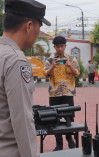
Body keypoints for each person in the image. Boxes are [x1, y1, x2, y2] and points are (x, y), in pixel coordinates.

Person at [0, 0, 50, 156]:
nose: (39, 33)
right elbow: (22, 120)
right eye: (39, 26)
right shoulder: (16, 61)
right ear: (29, 26)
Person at [43, 36, 80, 151]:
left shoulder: (72, 58)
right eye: (57, 46)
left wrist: (70, 66)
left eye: (62, 46)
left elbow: (77, 73)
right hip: (54, 94)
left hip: (68, 93)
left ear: (65, 46)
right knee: (55, 119)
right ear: (54, 47)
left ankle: (70, 139)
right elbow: (45, 74)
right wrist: (52, 67)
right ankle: (59, 144)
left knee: (69, 118)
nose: (60, 49)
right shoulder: (50, 60)